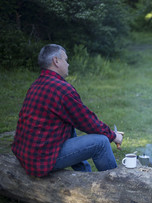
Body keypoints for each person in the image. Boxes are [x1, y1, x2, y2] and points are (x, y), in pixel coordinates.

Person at [11, 44, 123, 177]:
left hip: (27, 154)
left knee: (68, 125)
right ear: (56, 61)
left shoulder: (37, 84)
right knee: (101, 142)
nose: (68, 64)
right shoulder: (62, 89)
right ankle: (115, 185)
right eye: (66, 59)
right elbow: (87, 121)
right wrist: (114, 136)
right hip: (40, 159)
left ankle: (84, 177)